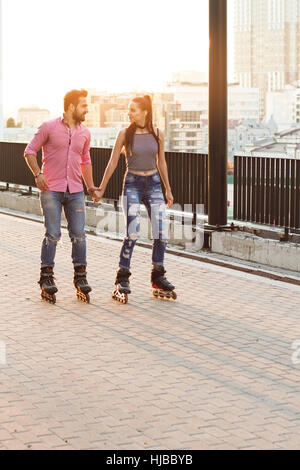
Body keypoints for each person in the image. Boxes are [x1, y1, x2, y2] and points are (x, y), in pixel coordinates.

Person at [95, 95, 176, 303]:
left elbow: (162, 163)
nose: (129, 113)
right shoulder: (124, 134)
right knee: (132, 233)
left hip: (154, 184)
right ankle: (122, 278)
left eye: (133, 109)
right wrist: (101, 187)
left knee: (161, 232)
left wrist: (168, 189)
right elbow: (113, 162)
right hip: (132, 184)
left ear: (145, 112)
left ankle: (158, 275)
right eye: (129, 109)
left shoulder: (158, 133)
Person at [24, 89, 99, 303]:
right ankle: (46, 278)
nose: (87, 109)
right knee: (53, 234)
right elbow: (30, 151)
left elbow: (85, 161)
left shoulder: (85, 132)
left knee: (79, 234)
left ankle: (80, 277)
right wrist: (38, 174)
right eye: (84, 105)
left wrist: (91, 187)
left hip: (75, 191)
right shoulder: (48, 127)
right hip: (51, 189)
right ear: (72, 106)